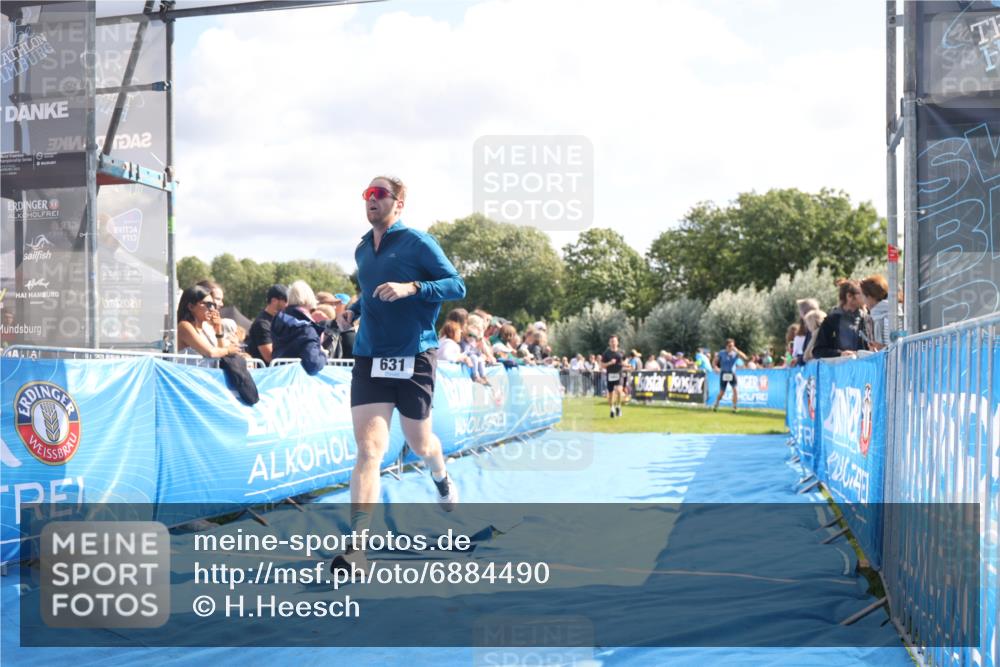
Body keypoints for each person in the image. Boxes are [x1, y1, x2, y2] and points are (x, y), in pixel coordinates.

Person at [332, 175, 466, 574]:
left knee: (420, 442)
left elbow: (456, 285)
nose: (371, 200)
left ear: (399, 202)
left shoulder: (419, 242)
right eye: (366, 195)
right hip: (371, 356)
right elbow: (369, 290)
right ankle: (357, 547)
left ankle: (440, 476)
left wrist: (412, 288)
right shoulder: (361, 249)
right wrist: (352, 311)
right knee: (369, 450)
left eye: (379, 194)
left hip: (414, 356)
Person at [271, 280, 328, 375]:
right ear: (309, 298)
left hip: (278, 376)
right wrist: (323, 355)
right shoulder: (307, 329)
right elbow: (313, 364)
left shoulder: (278, 320)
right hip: (298, 382)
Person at [176, 285, 242, 358]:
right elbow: (210, 353)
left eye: (213, 305)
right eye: (208, 304)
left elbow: (222, 356)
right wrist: (228, 350)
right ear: (191, 306)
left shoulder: (206, 328)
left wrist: (218, 331)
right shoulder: (184, 326)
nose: (212, 309)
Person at [811, 280, 867, 359]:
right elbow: (818, 351)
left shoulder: (865, 318)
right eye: (861, 293)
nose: (865, 296)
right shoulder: (831, 320)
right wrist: (840, 354)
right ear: (849, 296)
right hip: (839, 368)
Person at [248, 284, 288, 365]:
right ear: (274, 301)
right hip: (265, 374)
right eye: (286, 301)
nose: (288, 305)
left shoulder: (280, 320)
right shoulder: (262, 324)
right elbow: (269, 357)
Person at [712, 338, 748, 412]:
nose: (731, 347)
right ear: (726, 346)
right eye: (729, 346)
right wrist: (715, 368)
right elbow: (715, 361)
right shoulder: (721, 353)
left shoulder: (735, 353)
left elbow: (745, 358)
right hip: (724, 373)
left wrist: (737, 351)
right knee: (722, 392)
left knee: (735, 390)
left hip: (732, 374)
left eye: (732, 346)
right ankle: (716, 403)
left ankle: (734, 407)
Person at [860, 274, 890, 351]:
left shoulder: (885, 316)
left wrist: (878, 348)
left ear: (869, 297)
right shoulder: (883, 313)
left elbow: (891, 348)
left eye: (862, 296)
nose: (862, 300)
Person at [601, 334, 626, 418]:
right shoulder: (606, 353)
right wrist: (609, 363)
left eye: (615, 341)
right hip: (610, 375)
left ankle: (618, 406)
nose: (613, 343)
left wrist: (626, 365)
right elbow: (602, 365)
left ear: (617, 342)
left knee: (619, 391)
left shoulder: (621, 352)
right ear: (609, 343)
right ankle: (612, 409)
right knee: (611, 394)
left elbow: (624, 362)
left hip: (619, 374)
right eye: (612, 341)